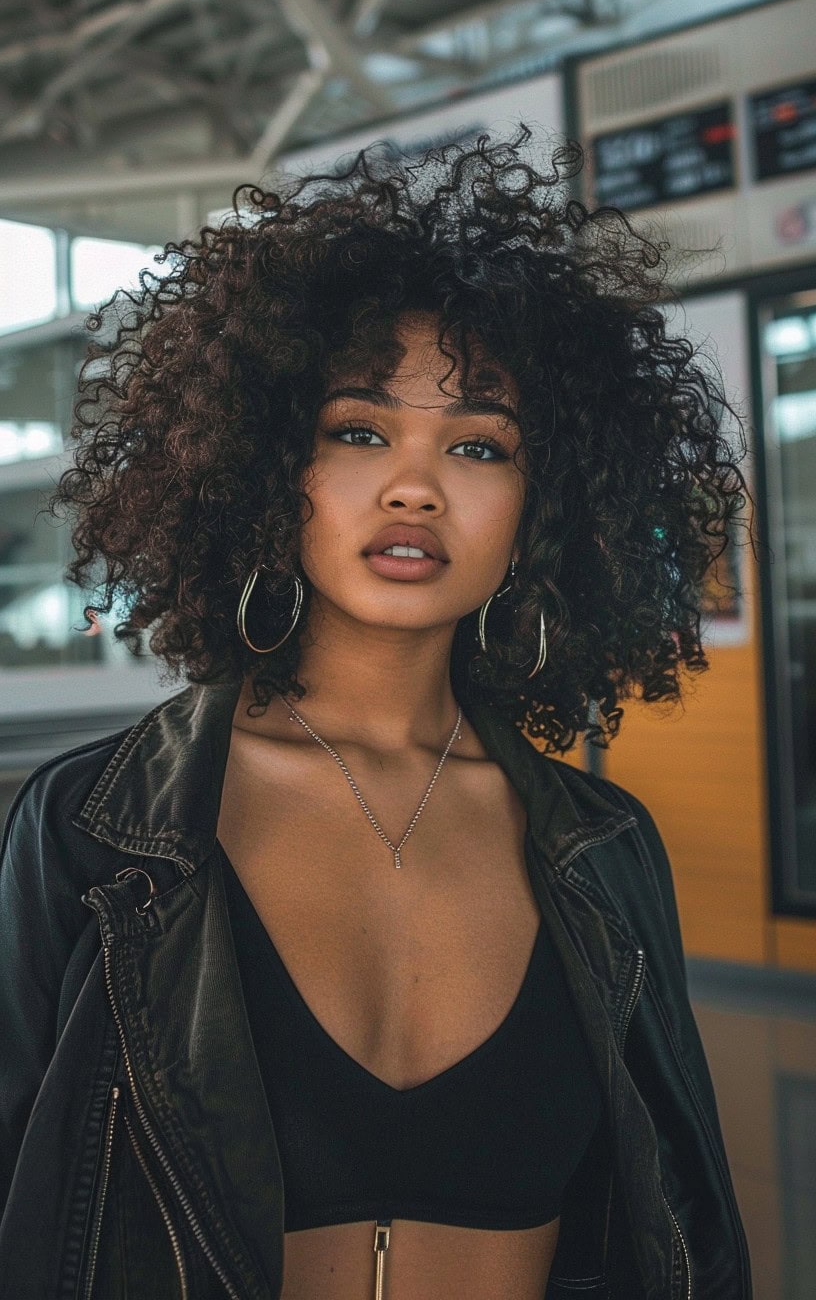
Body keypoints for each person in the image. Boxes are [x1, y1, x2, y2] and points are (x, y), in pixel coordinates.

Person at [0, 129, 753, 1299]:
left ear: (543, 507)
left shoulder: (606, 851)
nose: (415, 483)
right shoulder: (91, 832)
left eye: (478, 443)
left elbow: (682, 1233)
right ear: (264, 465)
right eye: (358, 430)